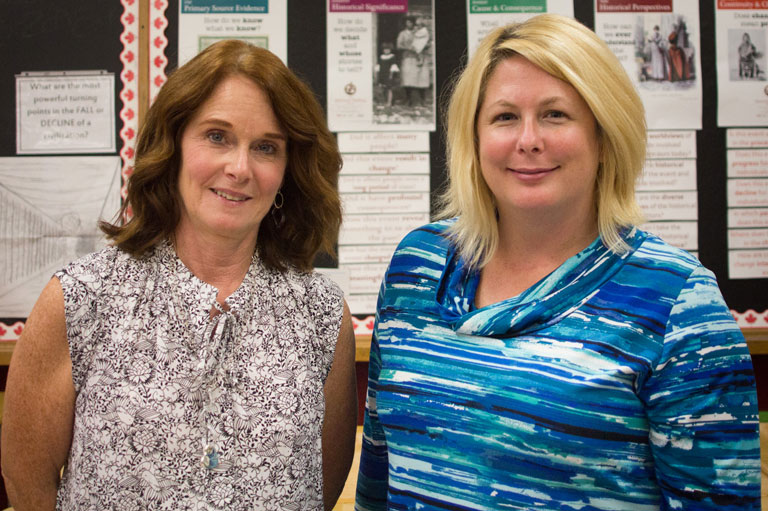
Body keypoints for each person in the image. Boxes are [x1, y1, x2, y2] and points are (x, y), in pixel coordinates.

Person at [356, 14, 760, 511]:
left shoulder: (678, 299)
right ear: (475, 137)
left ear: (604, 136)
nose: (528, 140)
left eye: (555, 115)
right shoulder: (417, 264)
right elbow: (378, 470)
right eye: (504, 117)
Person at [1, 39, 358, 510]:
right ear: (173, 147)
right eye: (217, 136)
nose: (239, 167)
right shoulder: (82, 299)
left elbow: (320, 487)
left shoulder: (322, 316)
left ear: (287, 173)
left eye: (266, 147)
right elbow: (28, 484)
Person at [396, 15, 431, 108]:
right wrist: (409, 48)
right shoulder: (402, 34)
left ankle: (423, 100)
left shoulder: (419, 33)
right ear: (405, 24)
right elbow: (399, 46)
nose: (409, 24)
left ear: (413, 23)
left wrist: (425, 45)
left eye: (411, 22)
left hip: (419, 58)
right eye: (407, 22)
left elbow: (426, 43)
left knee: (421, 78)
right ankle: (409, 100)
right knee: (408, 79)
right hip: (408, 57)